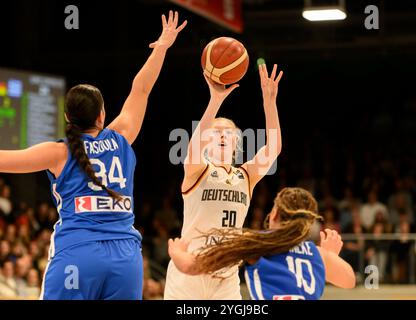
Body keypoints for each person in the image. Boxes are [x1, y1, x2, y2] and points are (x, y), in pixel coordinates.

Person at [0, 10, 186, 300]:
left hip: (78, 252)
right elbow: (143, 88)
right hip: (126, 259)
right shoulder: (122, 136)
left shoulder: (57, 152)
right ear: (102, 114)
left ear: (67, 117)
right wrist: (162, 46)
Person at [163, 63, 283, 299]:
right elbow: (194, 147)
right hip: (190, 270)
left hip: (226, 276)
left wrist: (270, 102)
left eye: (229, 133)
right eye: (216, 132)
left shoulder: (245, 175)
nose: (223, 136)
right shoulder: (198, 169)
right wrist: (215, 100)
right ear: (206, 139)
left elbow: (274, 148)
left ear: (237, 142)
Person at [168, 187, 355, 300]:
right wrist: (330, 256)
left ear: (273, 215)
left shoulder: (256, 245)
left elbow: (189, 266)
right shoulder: (317, 253)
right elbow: (349, 281)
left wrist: (177, 252)